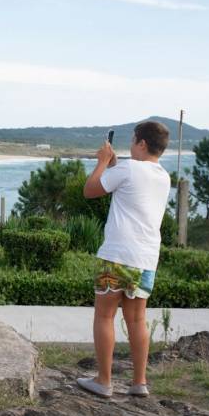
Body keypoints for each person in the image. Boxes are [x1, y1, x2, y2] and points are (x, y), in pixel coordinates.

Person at [76, 121, 171, 398]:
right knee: (137, 320)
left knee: (105, 316)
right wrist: (115, 164)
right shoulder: (163, 176)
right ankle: (139, 382)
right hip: (146, 258)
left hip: (116, 256)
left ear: (142, 143)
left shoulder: (128, 169)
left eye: (133, 140)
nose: (130, 145)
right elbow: (131, 183)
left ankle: (103, 382)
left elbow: (90, 190)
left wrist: (103, 162)